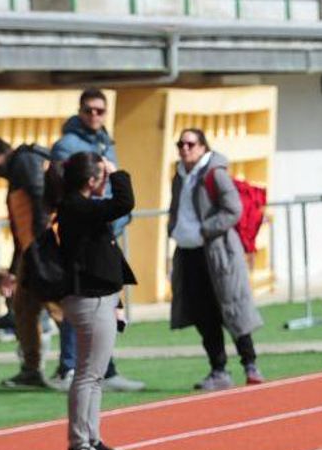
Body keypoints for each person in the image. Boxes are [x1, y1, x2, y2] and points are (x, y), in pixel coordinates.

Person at [50, 88, 144, 393]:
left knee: (104, 308)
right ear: (80, 111)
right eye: (89, 110)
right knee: (82, 306)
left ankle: (107, 367)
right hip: (85, 230)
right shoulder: (67, 145)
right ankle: (69, 365)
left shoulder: (106, 140)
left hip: (106, 227)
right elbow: (72, 188)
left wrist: (114, 217)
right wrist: (107, 207)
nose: (94, 115)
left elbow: (107, 195)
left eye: (100, 110)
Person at [53, 153, 137, 450]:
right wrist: (117, 172)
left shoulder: (80, 207)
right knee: (88, 374)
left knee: (94, 374)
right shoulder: (78, 207)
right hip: (90, 299)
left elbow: (107, 256)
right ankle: (79, 442)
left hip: (99, 297)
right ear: (91, 180)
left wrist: (117, 299)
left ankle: (91, 437)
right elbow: (124, 203)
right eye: (100, 175)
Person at [166, 129, 265, 391]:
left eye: (190, 144)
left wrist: (205, 229)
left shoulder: (215, 174)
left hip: (218, 252)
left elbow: (233, 209)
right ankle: (218, 369)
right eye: (180, 144)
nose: (184, 148)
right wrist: (174, 227)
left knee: (232, 305)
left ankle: (250, 364)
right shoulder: (179, 176)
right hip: (188, 253)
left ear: (202, 147)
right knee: (202, 313)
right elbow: (178, 208)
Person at [0, 136, 55, 389]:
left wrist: (39, 248)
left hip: (42, 250)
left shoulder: (25, 162)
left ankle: (80, 366)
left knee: (60, 309)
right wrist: (16, 268)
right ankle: (31, 369)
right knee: (23, 309)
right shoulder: (18, 168)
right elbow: (19, 225)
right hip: (30, 252)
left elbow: (39, 203)